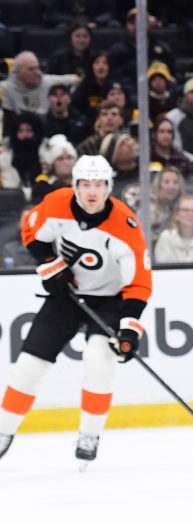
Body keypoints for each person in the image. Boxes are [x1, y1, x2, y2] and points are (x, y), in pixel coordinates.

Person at [0, 156, 152, 464]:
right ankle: (3, 430)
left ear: (109, 187)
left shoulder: (126, 225)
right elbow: (32, 233)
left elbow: (138, 283)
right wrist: (51, 266)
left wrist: (129, 329)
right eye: (85, 185)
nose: (91, 192)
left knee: (99, 360)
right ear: (75, 186)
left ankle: (90, 434)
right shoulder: (55, 203)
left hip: (110, 300)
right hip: (67, 295)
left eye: (98, 185)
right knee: (29, 364)